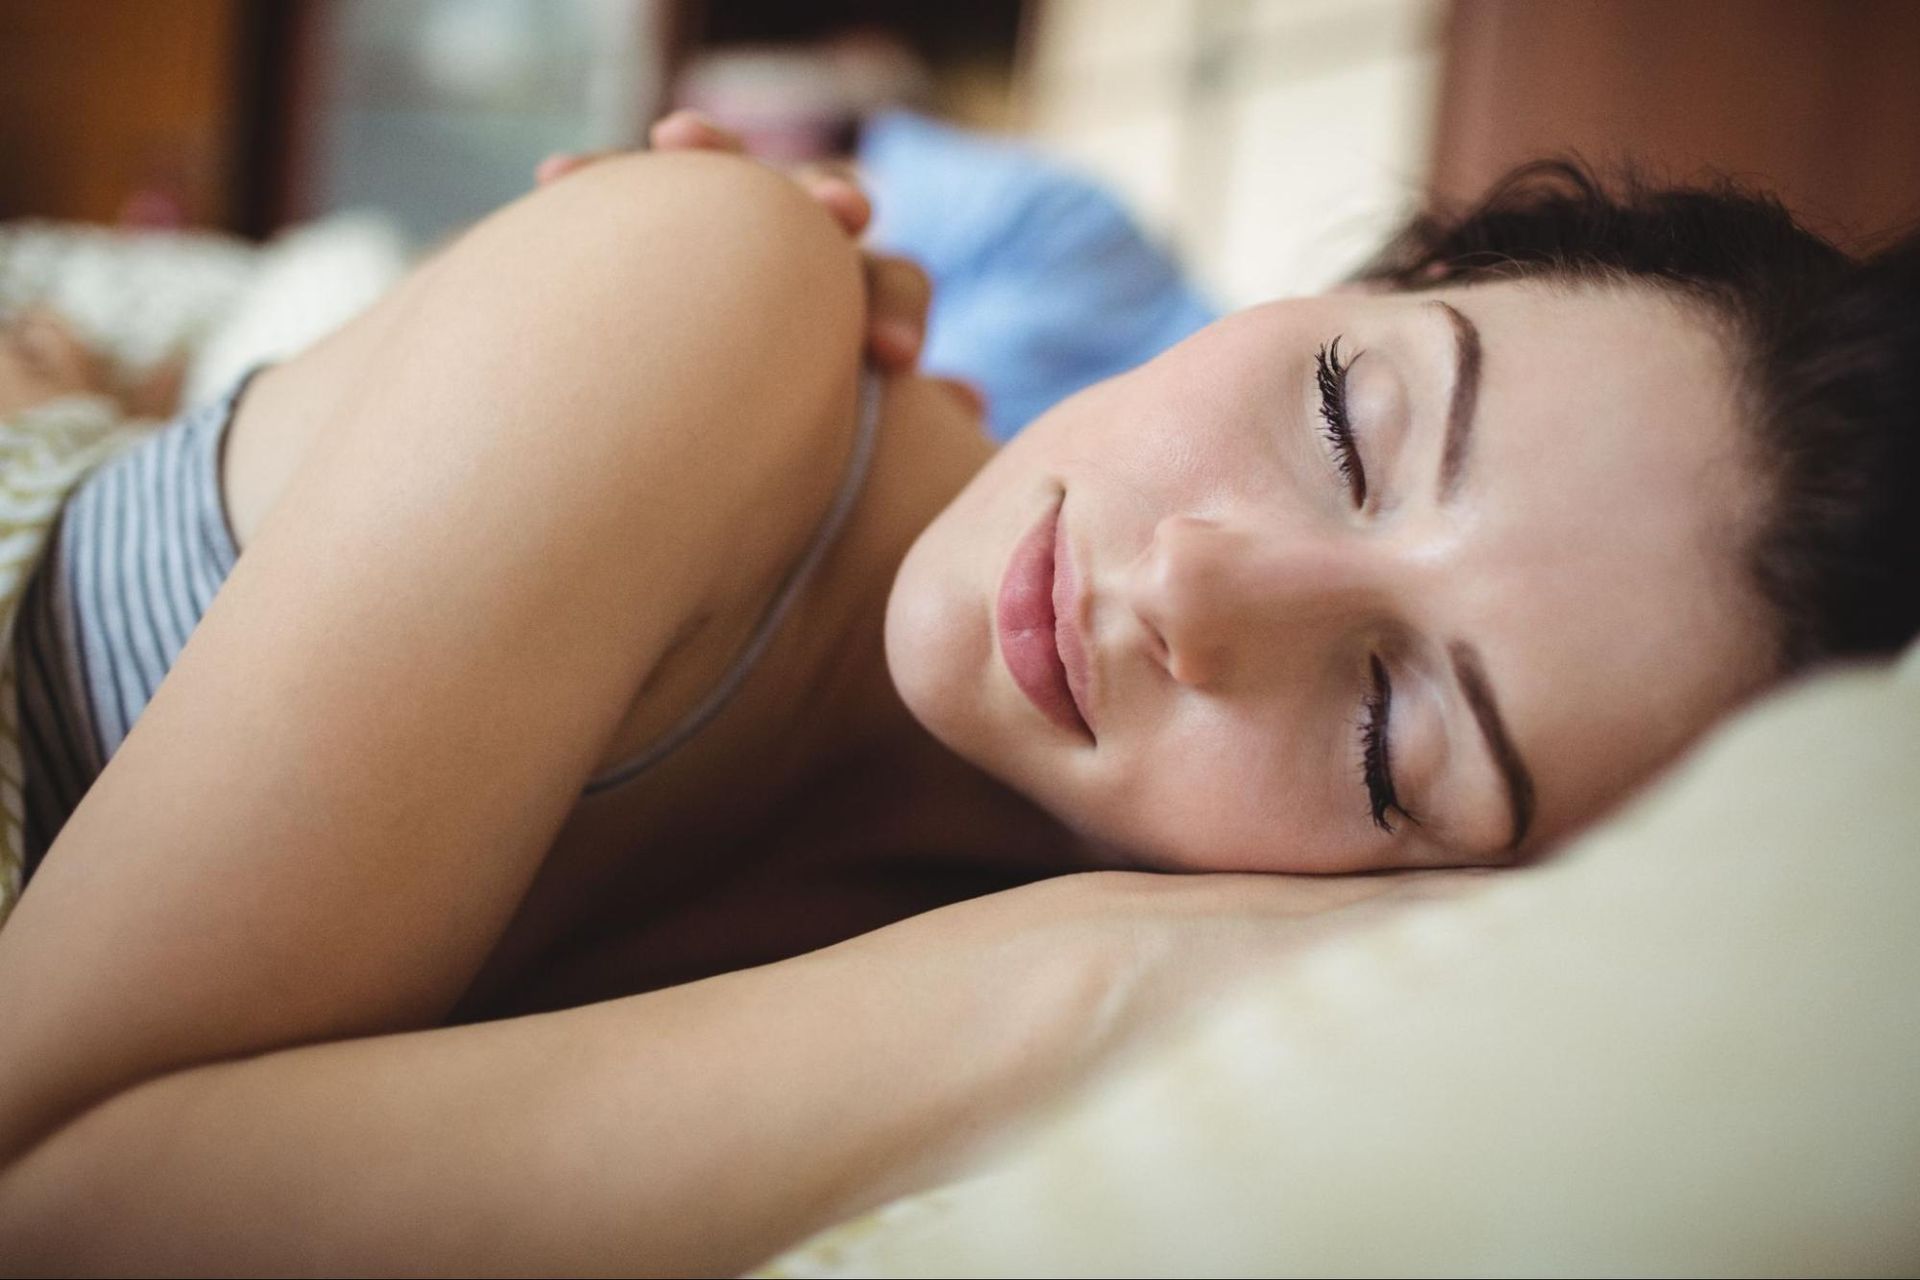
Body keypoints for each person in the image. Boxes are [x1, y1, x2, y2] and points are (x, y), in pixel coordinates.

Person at [0, 112, 1913, 1273]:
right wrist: (1081, 986)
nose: (1195, 589)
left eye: (1390, 734)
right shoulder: (710, 292)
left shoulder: (1135, 1029)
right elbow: (55, 1207)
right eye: (1345, 411)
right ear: (1359, 282)